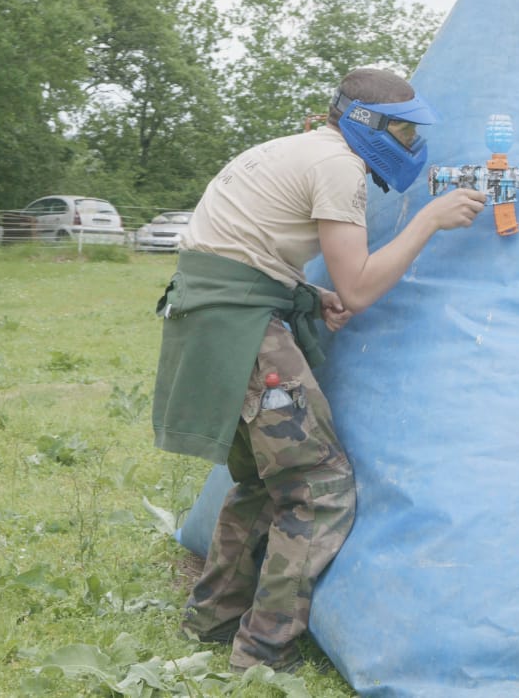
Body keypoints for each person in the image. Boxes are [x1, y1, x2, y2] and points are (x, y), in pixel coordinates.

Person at [151, 67, 487, 672]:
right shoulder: (338, 167)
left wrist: (306, 296)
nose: (413, 147)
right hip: (240, 331)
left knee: (259, 481)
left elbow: (243, 248)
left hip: (209, 322)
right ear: (370, 125)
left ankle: (213, 618)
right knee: (318, 488)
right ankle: (261, 653)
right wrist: (428, 220)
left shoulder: (289, 148)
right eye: (406, 134)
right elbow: (357, 289)